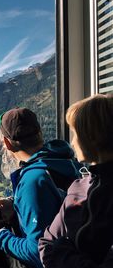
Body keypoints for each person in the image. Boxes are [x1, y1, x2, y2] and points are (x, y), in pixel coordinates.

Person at [0, 107, 81, 268]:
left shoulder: (34, 181)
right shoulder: (65, 161)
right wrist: (17, 203)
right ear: (40, 133)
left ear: (7, 143)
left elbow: (39, 253)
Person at [39, 94, 113, 267]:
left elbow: (52, 248)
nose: (72, 142)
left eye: (75, 133)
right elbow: (45, 244)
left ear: (92, 136)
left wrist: (62, 251)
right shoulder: (78, 187)